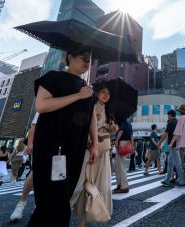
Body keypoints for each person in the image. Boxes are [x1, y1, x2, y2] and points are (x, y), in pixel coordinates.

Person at [27, 48, 98, 227]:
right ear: (70, 57)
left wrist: (95, 143)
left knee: (64, 195)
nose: (87, 63)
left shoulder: (87, 88)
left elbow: (92, 116)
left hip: (75, 147)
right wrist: (78, 96)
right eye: (84, 58)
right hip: (51, 145)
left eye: (90, 61)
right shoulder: (53, 77)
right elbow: (41, 105)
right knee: (50, 198)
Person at [71, 82, 117, 226]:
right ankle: (77, 215)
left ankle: (85, 219)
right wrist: (94, 134)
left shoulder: (109, 110)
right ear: (96, 93)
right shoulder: (89, 106)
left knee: (97, 182)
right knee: (84, 181)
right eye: (103, 92)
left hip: (102, 151)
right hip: (88, 148)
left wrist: (113, 129)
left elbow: (110, 130)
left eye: (108, 94)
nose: (106, 96)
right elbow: (81, 126)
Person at [10, 112, 39, 222]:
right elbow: (34, 125)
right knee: (35, 173)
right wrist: (30, 144)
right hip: (41, 143)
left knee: (52, 177)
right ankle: (21, 203)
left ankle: (39, 205)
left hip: (59, 145)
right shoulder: (48, 97)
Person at [158, 110, 185, 187]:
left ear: (169, 115)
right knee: (170, 163)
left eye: (168, 115)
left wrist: (159, 143)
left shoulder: (170, 123)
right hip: (176, 145)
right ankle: (167, 180)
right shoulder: (177, 122)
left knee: (177, 163)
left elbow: (165, 135)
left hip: (172, 146)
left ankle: (182, 180)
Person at [114, 120, 133, 193]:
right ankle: (120, 185)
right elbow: (131, 136)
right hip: (127, 144)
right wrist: (132, 145)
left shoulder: (122, 122)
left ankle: (124, 186)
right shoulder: (129, 124)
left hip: (122, 143)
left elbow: (121, 131)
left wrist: (116, 141)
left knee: (120, 166)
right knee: (119, 165)